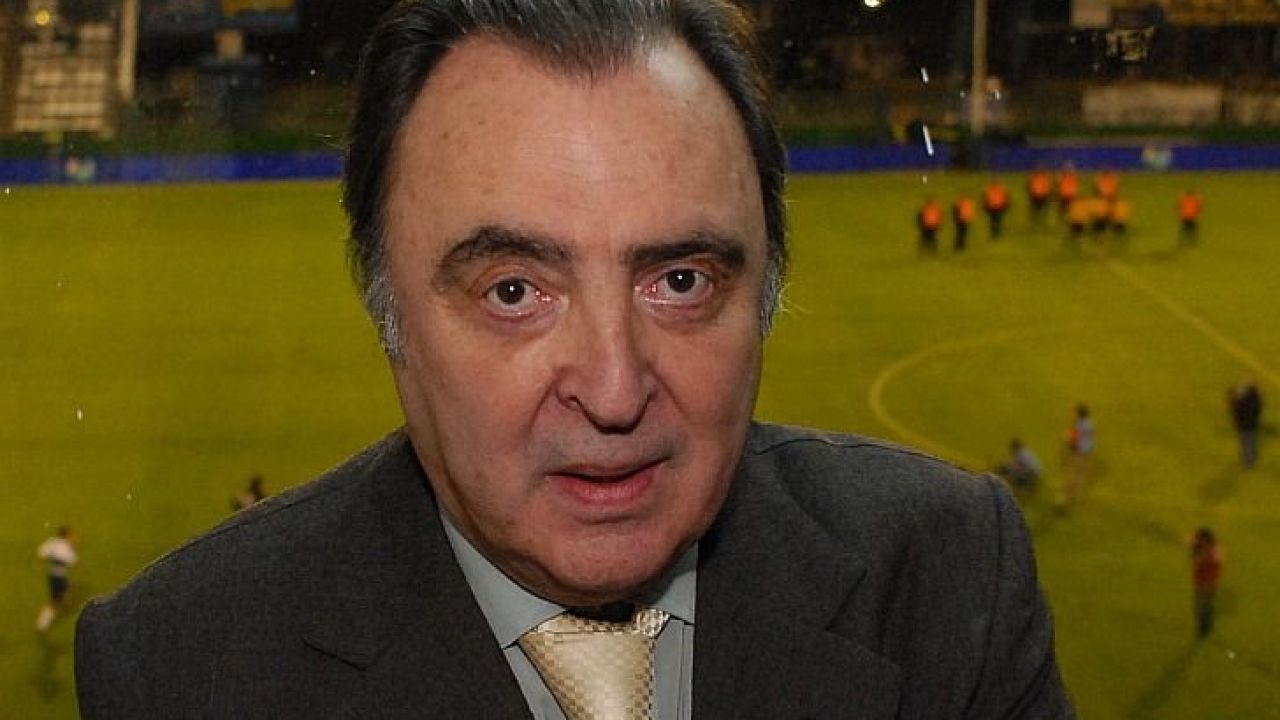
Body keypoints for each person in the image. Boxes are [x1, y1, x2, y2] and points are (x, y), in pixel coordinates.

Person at [75, 2, 1072, 718]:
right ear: (387, 311)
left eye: (678, 280)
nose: (613, 389)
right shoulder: (182, 672)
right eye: (514, 291)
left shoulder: (949, 580)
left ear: (765, 294)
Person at [36, 525, 78, 632]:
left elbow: (41, 553)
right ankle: (42, 623)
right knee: (55, 601)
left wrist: (51, 557)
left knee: (65, 593)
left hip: (52, 574)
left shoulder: (52, 542)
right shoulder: (65, 546)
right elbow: (72, 560)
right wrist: (72, 547)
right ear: (66, 535)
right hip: (59, 576)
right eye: (71, 535)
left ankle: (66, 603)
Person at [1190, 527, 1223, 639]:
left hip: (1207, 584)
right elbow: (1195, 558)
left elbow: (1202, 560)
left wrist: (1197, 551)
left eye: (1200, 539)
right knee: (1201, 606)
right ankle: (1203, 628)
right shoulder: (1208, 548)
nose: (1198, 541)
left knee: (1203, 607)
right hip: (1202, 582)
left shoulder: (1214, 552)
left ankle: (1203, 629)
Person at [1228, 380, 1262, 468]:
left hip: (1242, 425)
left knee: (1245, 441)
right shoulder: (1254, 401)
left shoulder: (1239, 403)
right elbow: (1258, 408)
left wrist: (1232, 397)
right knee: (1250, 441)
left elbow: (1234, 409)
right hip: (1251, 424)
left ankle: (1247, 459)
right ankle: (1250, 458)